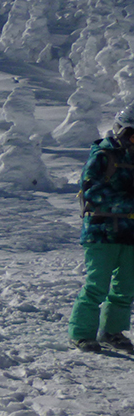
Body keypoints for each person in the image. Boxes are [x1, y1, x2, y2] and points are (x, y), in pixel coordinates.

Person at [70, 104, 134, 352]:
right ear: (120, 131)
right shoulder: (103, 156)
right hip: (101, 232)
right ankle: (81, 333)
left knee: (126, 287)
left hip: (129, 233)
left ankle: (112, 332)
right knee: (97, 285)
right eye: (132, 134)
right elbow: (92, 192)